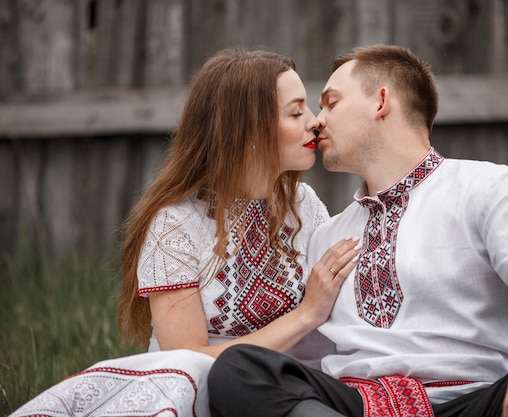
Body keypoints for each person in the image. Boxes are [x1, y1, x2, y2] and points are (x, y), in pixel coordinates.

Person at [207, 45, 508, 417]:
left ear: (381, 101)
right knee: (241, 370)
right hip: (357, 406)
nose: (317, 122)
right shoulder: (327, 236)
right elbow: (310, 356)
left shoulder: (487, 187)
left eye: (331, 103)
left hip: (477, 402)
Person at [10, 47, 359, 417]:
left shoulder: (301, 205)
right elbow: (186, 361)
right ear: (249, 129)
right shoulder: (174, 225)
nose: (314, 122)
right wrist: (305, 315)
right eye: (296, 111)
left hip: (284, 392)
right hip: (197, 398)